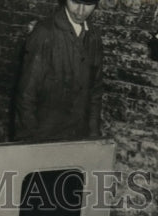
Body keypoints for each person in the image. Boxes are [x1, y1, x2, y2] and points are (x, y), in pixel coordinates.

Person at [14, 0, 103, 142]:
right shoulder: (45, 32)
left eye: (88, 4)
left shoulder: (94, 37)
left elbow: (95, 92)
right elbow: (26, 94)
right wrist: (28, 141)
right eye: (75, 2)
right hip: (44, 134)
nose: (80, 11)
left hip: (78, 134)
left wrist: (94, 135)